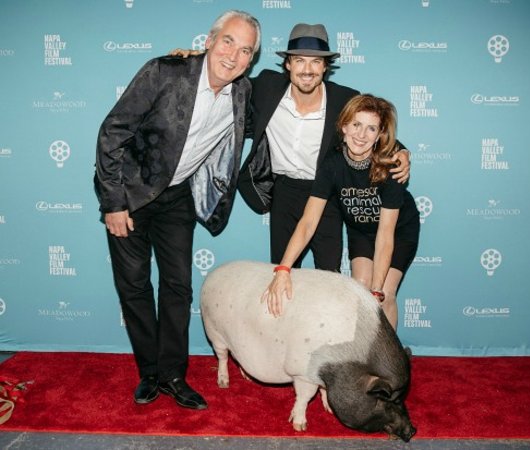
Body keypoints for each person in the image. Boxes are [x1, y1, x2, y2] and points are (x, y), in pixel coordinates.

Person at [94, 10, 260, 410]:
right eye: (228, 42)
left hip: (176, 199)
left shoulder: (243, 92)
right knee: (134, 288)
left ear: (252, 60)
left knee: (177, 288)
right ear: (209, 40)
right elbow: (112, 132)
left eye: (246, 51)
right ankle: (149, 373)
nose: (233, 56)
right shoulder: (164, 72)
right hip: (130, 195)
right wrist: (113, 203)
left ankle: (172, 374)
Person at [237, 23, 411, 272]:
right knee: (282, 270)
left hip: (326, 191)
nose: (307, 70)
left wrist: (402, 151)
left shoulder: (345, 99)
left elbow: (374, 128)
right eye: (299, 60)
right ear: (288, 64)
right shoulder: (266, 86)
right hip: (283, 192)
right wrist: (192, 61)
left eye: (316, 62)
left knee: (329, 273)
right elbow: (227, 78)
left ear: (325, 66)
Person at [263, 94, 420, 330]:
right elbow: (308, 222)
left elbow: (386, 234)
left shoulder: (391, 167)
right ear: (344, 126)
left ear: (379, 136)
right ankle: (364, 357)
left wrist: (376, 290)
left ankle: (388, 363)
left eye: (371, 129)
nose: (361, 135)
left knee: (384, 292)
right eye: (356, 125)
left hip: (397, 232)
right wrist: (283, 268)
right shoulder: (331, 164)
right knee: (359, 285)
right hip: (361, 231)